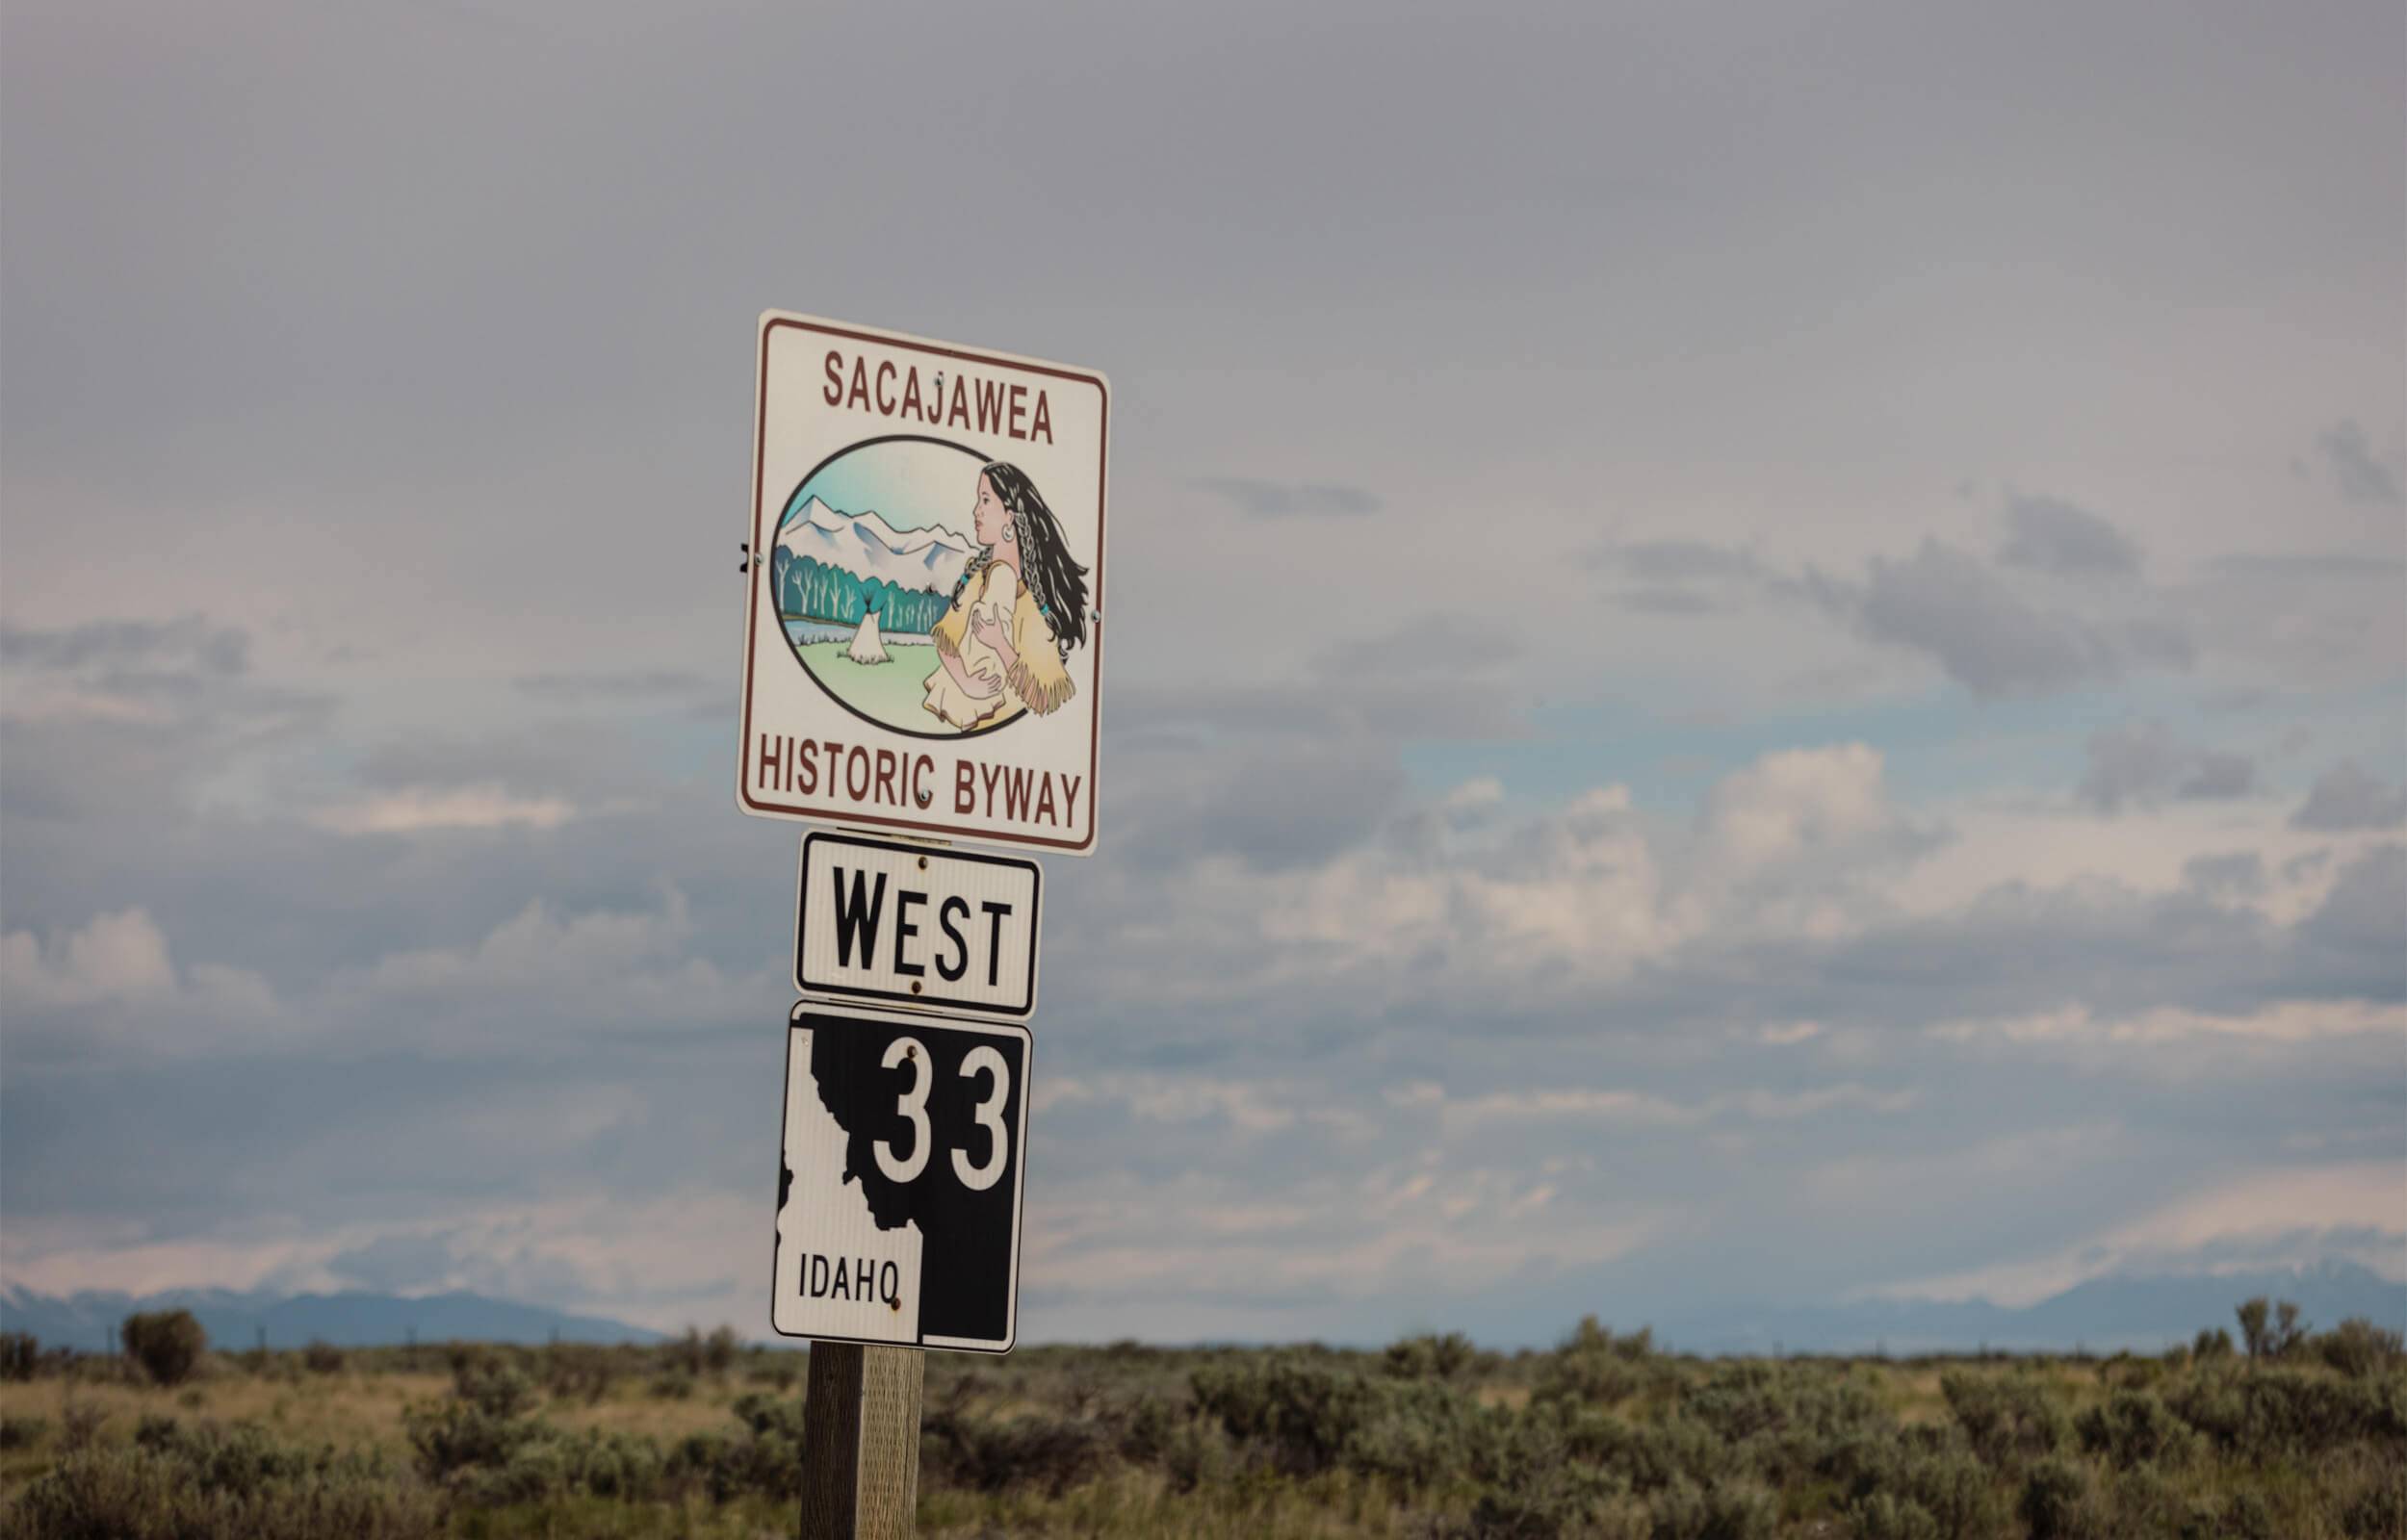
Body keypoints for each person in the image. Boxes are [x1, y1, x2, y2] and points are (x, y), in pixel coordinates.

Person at [922, 462, 1090, 732]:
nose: (976, 510)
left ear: (1010, 516)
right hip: (963, 724)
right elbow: (946, 639)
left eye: (986, 500)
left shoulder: (1035, 602)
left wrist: (1000, 644)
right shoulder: (976, 578)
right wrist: (966, 681)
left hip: (1007, 733)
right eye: (978, 499)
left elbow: (1044, 698)